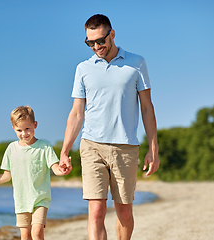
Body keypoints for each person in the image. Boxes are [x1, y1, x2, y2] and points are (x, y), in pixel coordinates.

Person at [59, 14, 160, 240]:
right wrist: (65, 151)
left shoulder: (137, 63)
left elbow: (147, 108)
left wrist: (153, 148)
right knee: (96, 211)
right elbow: (76, 113)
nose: (96, 47)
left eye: (100, 41)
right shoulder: (83, 69)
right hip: (91, 145)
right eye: (90, 43)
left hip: (126, 147)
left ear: (111, 34)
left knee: (124, 212)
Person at [0, 106, 66, 240]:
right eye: (19, 130)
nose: (24, 133)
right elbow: (6, 176)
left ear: (35, 125)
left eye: (27, 129)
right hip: (21, 201)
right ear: (13, 128)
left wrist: (63, 169)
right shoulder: (11, 149)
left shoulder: (44, 146)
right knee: (25, 236)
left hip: (40, 199)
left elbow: (55, 168)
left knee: (37, 232)